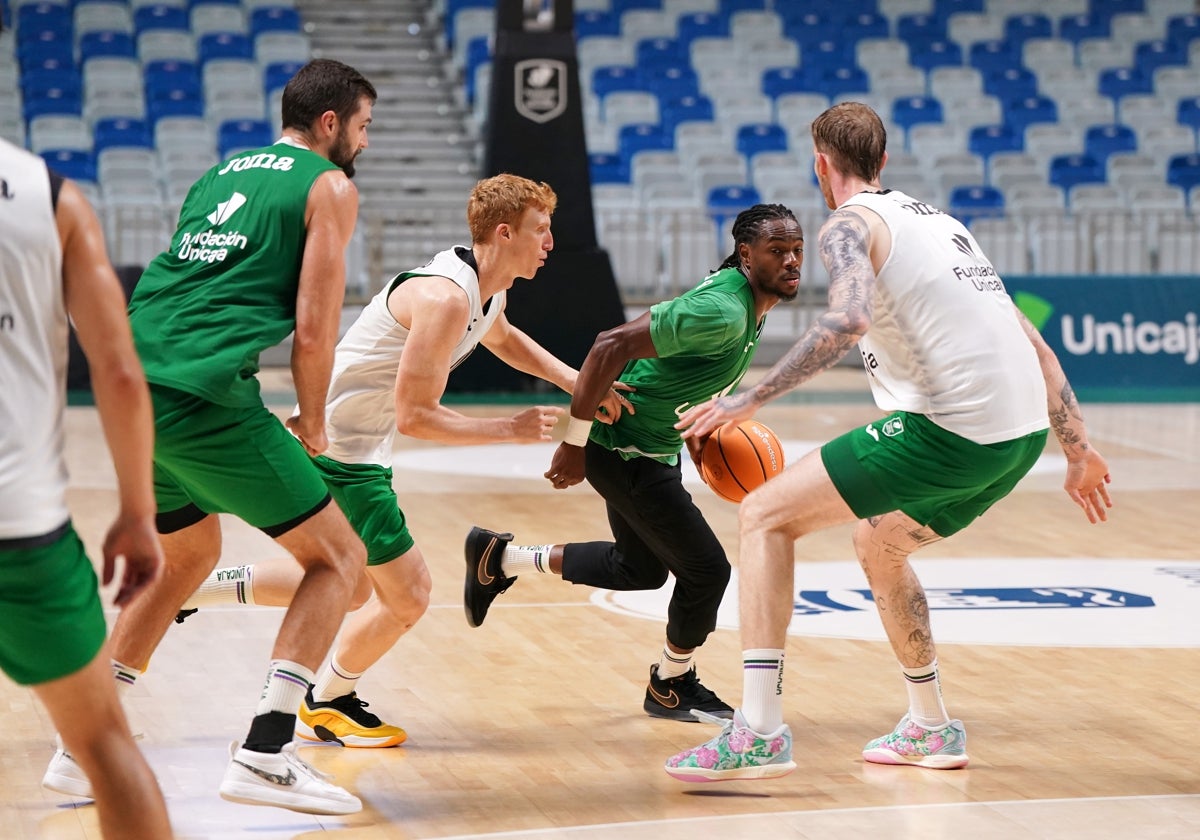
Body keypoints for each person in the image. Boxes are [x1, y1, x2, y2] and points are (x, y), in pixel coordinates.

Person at [662, 102, 1114, 782]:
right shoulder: (944, 226)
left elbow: (846, 320)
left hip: (952, 431)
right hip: (1018, 441)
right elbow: (1037, 345)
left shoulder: (848, 223)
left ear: (821, 163)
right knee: (880, 541)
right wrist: (1078, 452)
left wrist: (747, 398)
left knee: (763, 516)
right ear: (885, 160)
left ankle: (757, 730)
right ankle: (931, 727)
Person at [171, 173, 630, 747]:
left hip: (353, 447)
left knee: (351, 585)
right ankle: (324, 698)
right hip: (341, 453)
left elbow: (503, 336)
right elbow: (416, 416)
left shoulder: (484, 290)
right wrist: (508, 429)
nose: (551, 243)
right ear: (505, 232)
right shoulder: (445, 297)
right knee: (405, 594)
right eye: (542, 230)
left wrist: (577, 382)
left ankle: (199, 589)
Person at [42, 58, 378, 815]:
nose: (364, 141)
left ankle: (79, 751)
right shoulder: (329, 186)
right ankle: (265, 750)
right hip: (199, 396)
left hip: (128, 383)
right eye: (362, 126)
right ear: (330, 124)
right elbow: (316, 327)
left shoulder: (220, 172)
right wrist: (314, 417)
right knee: (341, 561)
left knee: (188, 555)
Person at [466, 204, 804, 722]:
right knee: (707, 572)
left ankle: (501, 557)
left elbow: (678, 372)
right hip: (624, 450)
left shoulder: (748, 306)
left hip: (647, 445)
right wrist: (575, 442)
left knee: (639, 569)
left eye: (797, 250)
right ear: (746, 254)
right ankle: (671, 684)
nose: (791, 261)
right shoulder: (724, 311)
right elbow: (610, 344)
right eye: (777, 251)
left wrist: (695, 435)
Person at [0, 139, 174, 838]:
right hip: (23, 528)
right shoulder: (50, 195)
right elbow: (120, 372)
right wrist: (137, 512)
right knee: (102, 744)